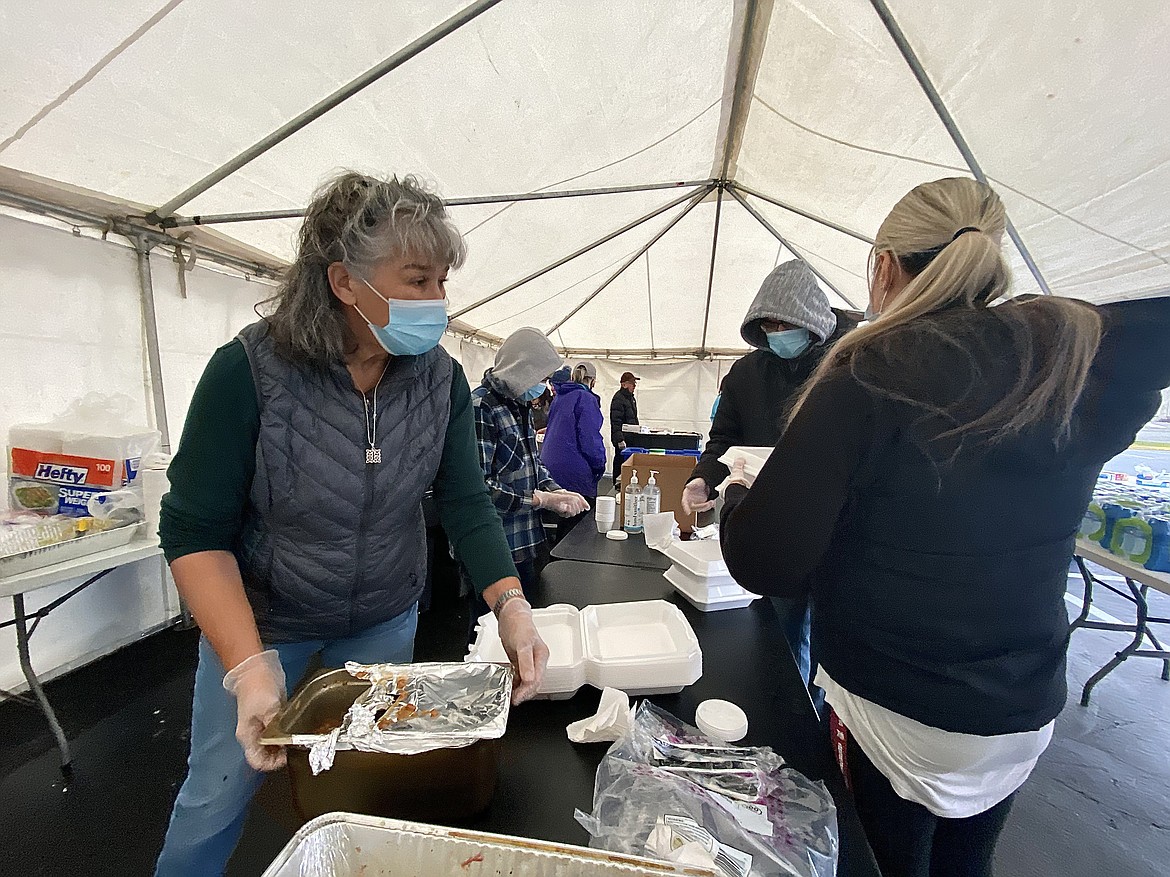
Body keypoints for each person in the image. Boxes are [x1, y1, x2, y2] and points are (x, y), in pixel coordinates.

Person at [719, 176, 1170, 877]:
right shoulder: (1067, 355)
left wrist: (733, 498)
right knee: (968, 865)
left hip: (896, 708)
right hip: (1022, 706)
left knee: (884, 858)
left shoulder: (870, 371)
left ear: (885, 267)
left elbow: (767, 560)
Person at [153, 173, 550, 876]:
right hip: (265, 621)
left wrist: (510, 604)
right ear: (343, 281)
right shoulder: (247, 372)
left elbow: (464, 500)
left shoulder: (439, 380)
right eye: (418, 280)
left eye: (442, 281)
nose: (437, 303)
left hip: (381, 617)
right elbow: (193, 532)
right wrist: (246, 666)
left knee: (364, 790)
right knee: (216, 795)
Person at [682, 260, 855, 696]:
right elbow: (723, 437)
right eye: (768, 325)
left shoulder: (848, 365)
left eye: (785, 323)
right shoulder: (745, 374)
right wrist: (704, 477)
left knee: (833, 650)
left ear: (812, 321)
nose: (777, 333)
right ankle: (786, 710)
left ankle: (820, 719)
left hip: (837, 531)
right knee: (772, 637)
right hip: (768, 526)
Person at [470, 328, 589, 619]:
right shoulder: (480, 408)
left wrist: (555, 490)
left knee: (531, 625)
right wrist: (540, 501)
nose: (544, 386)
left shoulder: (520, 405)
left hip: (527, 542)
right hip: (495, 551)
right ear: (521, 369)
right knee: (491, 634)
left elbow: (532, 464)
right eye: (542, 378)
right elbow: (479, 489)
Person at [542, 362, 607, 539]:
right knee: (579, 530)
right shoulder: (586, 399)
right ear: (592, 381)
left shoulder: (561, 397)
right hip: (574, 471)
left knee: (560, 524)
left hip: (550, 467)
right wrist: (599, 466)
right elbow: (589, 439)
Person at [609, 371, 640, 486]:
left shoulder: (630, 399)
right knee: (620, 463)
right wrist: (619, 440)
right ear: (624, 384)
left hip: (631, 439)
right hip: (623, 440)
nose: (634, 385)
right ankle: (617, 486)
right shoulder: (619, 399)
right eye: (632, 383)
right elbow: (616, 421)